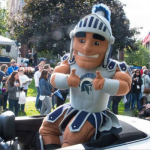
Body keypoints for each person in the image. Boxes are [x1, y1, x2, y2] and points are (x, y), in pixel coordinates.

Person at [39, 4, 132, 149]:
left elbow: (125, 86)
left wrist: (105, 83)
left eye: (96, 42)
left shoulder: (114, 67)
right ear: (74, 40)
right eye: (82, 41)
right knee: (47, 128)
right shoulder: (69, 61)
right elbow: (54, 77)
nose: (87, 48)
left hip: (94, 113)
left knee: (72, 136)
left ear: (108, 45)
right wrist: (67, 80)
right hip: (72, 107)